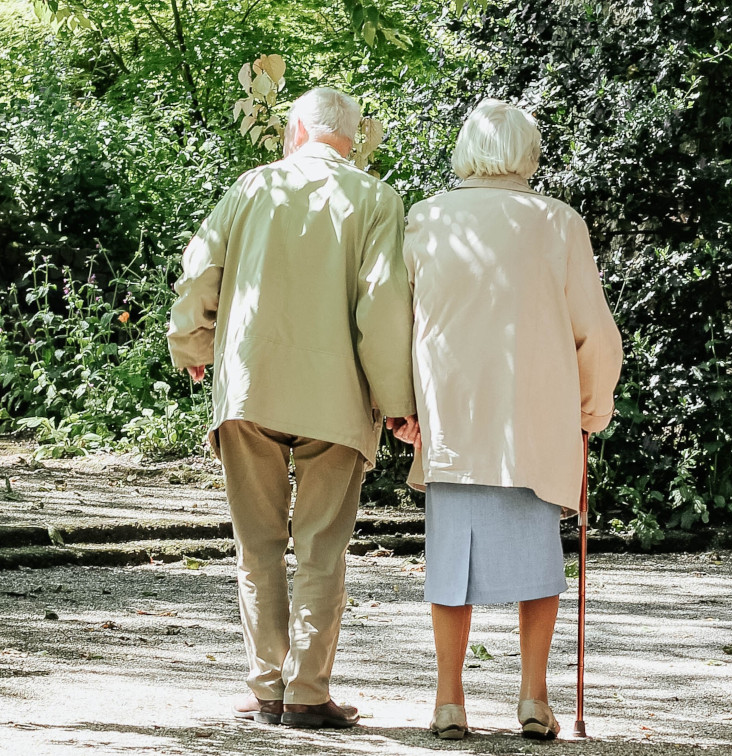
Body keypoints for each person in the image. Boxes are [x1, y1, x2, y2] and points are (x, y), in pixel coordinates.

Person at [167, 87, 418, 730]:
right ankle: (307, 693)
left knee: (257, 545)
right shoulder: (376, 200)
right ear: (354, 138)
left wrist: (192, 343)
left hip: (252, 386)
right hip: (336, 397)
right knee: (321, 548)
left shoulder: (251, 188)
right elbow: (383, 308)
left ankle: (265, 688)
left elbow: (200, 274)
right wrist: (397, 404)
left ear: (295, 130)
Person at [399, 99, 623, 740]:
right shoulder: (558, 224)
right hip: (536, 418)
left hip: (455, 417)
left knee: (450, 564)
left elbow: (399, 323)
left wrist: (402, 406)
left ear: (466, 150)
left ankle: (449, 700)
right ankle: (532, 697)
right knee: (538, 563)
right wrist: (592, 405)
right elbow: (595, 333)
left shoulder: (427, 219)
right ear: (529, 153)